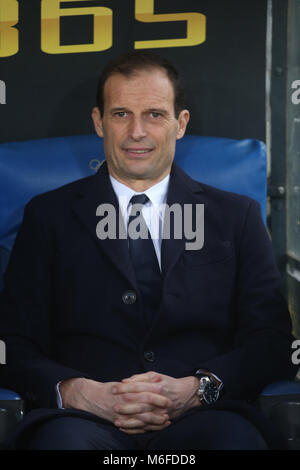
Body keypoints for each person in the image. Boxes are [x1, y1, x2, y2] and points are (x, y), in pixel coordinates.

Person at [0, 51, 297, 450]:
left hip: (206, 416)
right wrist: (76, 392)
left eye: (155, 114)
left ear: (180, 123)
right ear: (98, 121)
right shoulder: (47, 216)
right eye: (121, 114)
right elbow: (14, 342)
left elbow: (271, 340)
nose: (136, 131)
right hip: (80, 422)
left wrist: (199, 388)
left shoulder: (236, 216)